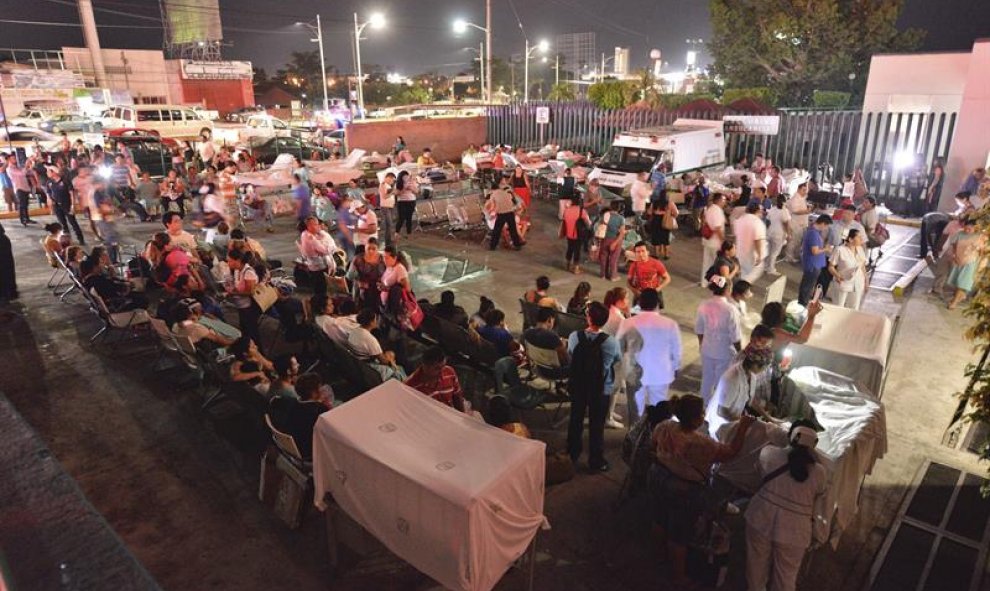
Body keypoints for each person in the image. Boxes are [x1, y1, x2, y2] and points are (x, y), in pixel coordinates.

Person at [650, 395, 755, 588]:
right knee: (678, 535)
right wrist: (743, 426)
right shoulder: (700, 443)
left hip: (659, 477)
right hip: (684, 490)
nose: (704, 414)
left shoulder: (665, 426)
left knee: (660, 518)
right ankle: (678, 576)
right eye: (702, 412)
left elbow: (653, 444)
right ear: (696, 419)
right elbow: (731, 453)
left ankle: (657, 556)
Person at [745, 421, 827, 591]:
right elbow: (820, 494)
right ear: (815, 444)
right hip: (795, 530)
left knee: (755, 571)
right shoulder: (819, 472)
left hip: (761, 517)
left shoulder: (768, 453)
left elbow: (758, 474)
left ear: (789, 436)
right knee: (786, 578)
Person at [567, 302, 621, 472]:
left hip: (578, 385)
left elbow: (570, 355)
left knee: (575, 420)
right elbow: (616, 360)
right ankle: (595, 460)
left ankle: (572, 453)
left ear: (588, 318)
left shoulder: (575, 336)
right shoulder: (611, 342)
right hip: (601, 388)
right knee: (596, 426)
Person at [616, 288, 682, 424]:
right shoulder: (670, 324)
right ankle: (657, 439)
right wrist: (676, 368)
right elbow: (676, 352)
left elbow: (618, 348)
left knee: (635, 412)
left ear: (639, 303)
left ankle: (635, 439)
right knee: (660, 410)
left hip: (634, 374)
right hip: (661, 374)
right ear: (658, 303)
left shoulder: (628, 323)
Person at [704, 343, 775, 438]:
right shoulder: (733, 378)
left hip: (733, 420)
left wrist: (769, 418)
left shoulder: (751, 374)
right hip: (720, 424)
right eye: (764, 367)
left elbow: (750, 398)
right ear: (754, 364)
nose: (764, 370)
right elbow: (722, 411)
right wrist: (746, 423)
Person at [695, 275, 743, 405]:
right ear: (728, 290)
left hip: (707, 349)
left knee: (707, 380)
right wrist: (740, 352)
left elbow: (699, 329)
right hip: (724, 352)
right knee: (721, 382)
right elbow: (735, 336)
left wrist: (702, 345)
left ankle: (703, 407)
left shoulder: (704, 305)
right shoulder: (731, 309)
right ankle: (716, 408)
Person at [269, 372, 331, 460]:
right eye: (320, 387)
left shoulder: (292, 403)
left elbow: (274, 400)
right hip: (308, 453)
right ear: (313, 392)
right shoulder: (320, 410)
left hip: (292, 447)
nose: (322, 389)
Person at [404, 346, 466, 411]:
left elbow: (457, 398)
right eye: (437, 368)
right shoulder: (411, 386)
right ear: (425, 366)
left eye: (443, 366)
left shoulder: (449, 372)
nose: (442, 372)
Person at [225, 249, 263, 352]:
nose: (228, 263)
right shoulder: (237, 270)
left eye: (229, 261)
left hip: (249, 307)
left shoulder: (248, 272)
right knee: (245, 330)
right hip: (241, 306)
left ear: (238, 260)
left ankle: (259, 354)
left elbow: (249, 292)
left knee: (252, 332)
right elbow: (238, 286)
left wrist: (233, 293)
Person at [946, 216, 984, 310]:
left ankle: (954, 302)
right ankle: (960, 296)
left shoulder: (979, 236)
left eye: (970, 229)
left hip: (970, 262)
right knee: (956, 281)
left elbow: (981, 251)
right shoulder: (959, 234)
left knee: (962, 282)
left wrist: (979, 263)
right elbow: (954, 245)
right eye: (966, 228)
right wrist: (954, 256)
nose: (967, 230)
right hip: (958, 260)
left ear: (975, 228)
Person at [828, 227, 869, 310]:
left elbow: (862, 267)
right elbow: (831, 267)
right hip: (843, 282)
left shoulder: (860, 249)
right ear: (850, 239)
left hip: (857, 283)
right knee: (838, 307)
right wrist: (837, 275)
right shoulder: (840, 250)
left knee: (854, 308)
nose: (861, 239)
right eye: (859, 237)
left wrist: (866, 280)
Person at [798, 214, 833, 306]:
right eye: (826, 226)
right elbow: (815, 251)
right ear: (823, 224)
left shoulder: (814, 232)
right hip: (812, 264)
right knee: (807, 286)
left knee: (807, 285)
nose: (825, 229)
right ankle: (802, 304)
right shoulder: (813, 233)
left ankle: (803, 302)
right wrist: (826, 249)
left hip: (814, 264)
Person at [299, 215, 338, 297]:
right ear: (309, 226)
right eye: (316, 224)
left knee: (318, 288)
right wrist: (332, 247)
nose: (319, 226)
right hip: (319, 268)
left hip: (313, 266)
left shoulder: (304, 233)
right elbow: (326, 250)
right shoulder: (311, 238)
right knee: (321, 289)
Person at [46, 166, 85, 244]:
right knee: (63, 224)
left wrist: (73, 205)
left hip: (66, 204)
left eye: (49, 171)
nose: (47, 173)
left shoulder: (65, 180)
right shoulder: (49, 182)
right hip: (57, 206)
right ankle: (67, 241)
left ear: (54, 172)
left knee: (73, 223)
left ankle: (80, 239)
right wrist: (51, 207)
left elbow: (71, 193)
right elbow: (49, 195)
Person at [733, 201, 767, 283]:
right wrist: (760, 255)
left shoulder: (740, 220)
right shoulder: (757, 222)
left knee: (742, 272)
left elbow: (736, 236)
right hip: (751, 254)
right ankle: (742, 289)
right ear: (758, 211)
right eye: (761, 211)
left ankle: (740, 288)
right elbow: (758, 240)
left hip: (740, 252)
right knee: (751, 274)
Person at [347, 238, 386, 310]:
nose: (371, 251)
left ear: (378, 249)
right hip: (362, 289)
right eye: (369, 248)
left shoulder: (383, 259)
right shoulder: (358, 259)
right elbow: (349, 276)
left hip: (379, 289)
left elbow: (389, 272)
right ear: (365, 248)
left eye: (374, 249)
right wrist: (358, 280)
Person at [487, 179, 525, 251]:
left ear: (492, 189)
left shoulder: (493, 195)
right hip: (510, 212)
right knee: (513, 229)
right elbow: (510, 201)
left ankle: (492, 246)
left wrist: (489, 213)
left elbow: (493, 207)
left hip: (501, 213)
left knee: (496, 231)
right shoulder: (505, 192)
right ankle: (517, 245)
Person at [701, 192, 727, 287]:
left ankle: (705, 282)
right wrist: (723, 241)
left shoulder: (710, 208)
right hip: (715, 242)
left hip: (708, 240)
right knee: (717, 264)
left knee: (707, 262)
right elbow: (718, 228)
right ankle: (716, 284)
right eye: (724, 200)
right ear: (719, 200)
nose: (725, 202)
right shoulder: (717, 211)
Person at [561, 195, 592, 273]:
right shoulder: (582, 211)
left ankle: (567, 265)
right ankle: (576, 268)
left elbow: (564, 220)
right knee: (577, 250)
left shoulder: (567, 210)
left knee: (570, 248)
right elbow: (588, 223)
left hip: (568, 233)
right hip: (578, 234)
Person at [784, 182, 813, 263]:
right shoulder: (795, 198)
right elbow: (795, 211)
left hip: (801, 223)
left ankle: (793, 255)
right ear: (798, 189)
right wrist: (807, 211)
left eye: (806, 190)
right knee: (793, 241)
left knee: (798, 241)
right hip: (795, 223)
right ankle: (788, 257)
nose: (805, 192)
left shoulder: (802, 198)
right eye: (803, 190)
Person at [599, 200, 627, 281]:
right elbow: (621, 233)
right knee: (614, 259)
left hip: (605, 239)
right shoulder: (621, 218)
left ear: (610, 207)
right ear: (619, 208)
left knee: (603, 257)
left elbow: (601, 228)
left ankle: (603, 275)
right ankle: (613, 276)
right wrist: (615, 243)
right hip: (615, 240)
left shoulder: (605, 215)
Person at [765, 195, 791, 275]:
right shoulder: (785, 211)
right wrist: (789, 234)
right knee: (775, 253)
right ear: (785, 201)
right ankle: (771, 269)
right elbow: (787, 224)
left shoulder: (772, 209)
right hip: (779, 234)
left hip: (769, 232)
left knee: (769, 251)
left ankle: (766, 266)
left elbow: (767, 221)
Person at [394, 170, 418, 238]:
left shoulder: (412, 182)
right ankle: (397, 233)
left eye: (407, 176)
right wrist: (404, 188)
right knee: (401, 218)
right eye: (404, 177)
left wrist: (412, 188)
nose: (406, 178)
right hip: (402, 202)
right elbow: (397, 193)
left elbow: (417, 191)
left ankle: (409, 233)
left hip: (411, 201)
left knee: (409, 218)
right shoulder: (398, 183)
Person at [378, 172, 397, 246]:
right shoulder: (383, 185)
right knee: (388, 224)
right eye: (392, 180)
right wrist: (392, 192)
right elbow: (385, 196)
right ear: (389, 178)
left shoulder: (388, 185)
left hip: (390, 207)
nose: (393, 182)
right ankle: (387, 241)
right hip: (385, 207)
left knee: (390, 225)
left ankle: (388, 240)